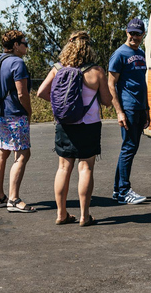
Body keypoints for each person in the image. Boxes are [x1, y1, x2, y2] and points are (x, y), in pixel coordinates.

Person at [37, 31, 112, 226]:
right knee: (86, 168)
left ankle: (61, 214)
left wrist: (60, 106)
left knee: (63, 168)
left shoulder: (57, 69)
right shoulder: (96, 72)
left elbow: (41, 92)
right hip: (89, 125)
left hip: (65, 124)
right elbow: (107, 101)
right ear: (89, 49)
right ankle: (84, 216)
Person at [0, 30, 35, 213]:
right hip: (15, 114)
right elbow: (22, 93)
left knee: (1, 153)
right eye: (25, 42)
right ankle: (14, 199)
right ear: (16, 45)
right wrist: (29, 112)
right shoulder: (18, 63)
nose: (26, 46)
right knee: (23, 153)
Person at [109, 17, 151, 205]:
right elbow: (111, 84)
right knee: (128, 148)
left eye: (137, 33)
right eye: (131, 33)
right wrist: (119, 111)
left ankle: (118, 190)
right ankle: (124, 191)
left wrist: (147, 109)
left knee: (129, 148)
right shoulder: (119, 54)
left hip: (140, 108)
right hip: (128, 107)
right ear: (126, 32)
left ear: (143, 35)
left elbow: (141, 82)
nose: (134, 36)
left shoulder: (140, 53)